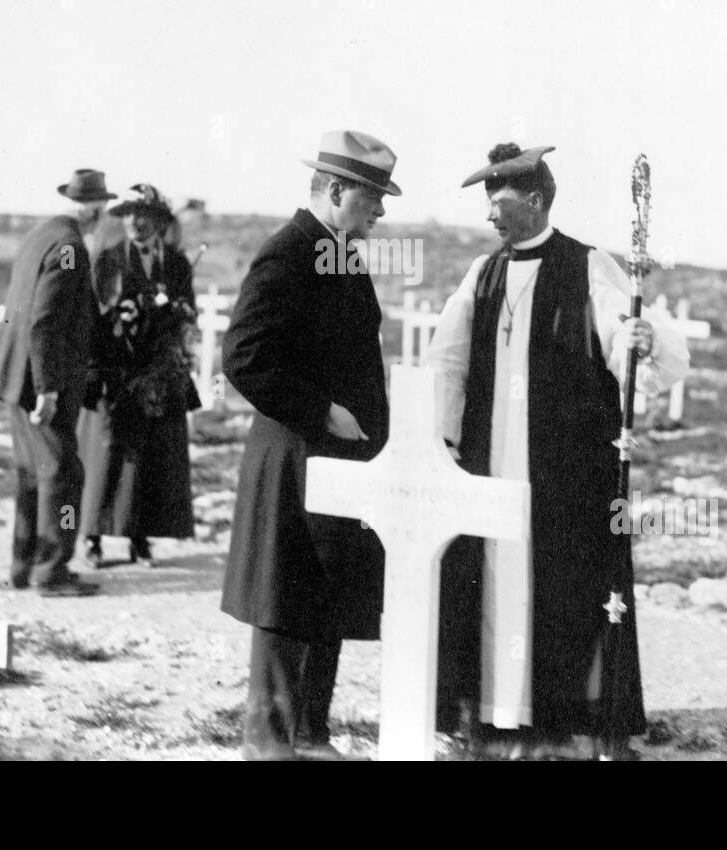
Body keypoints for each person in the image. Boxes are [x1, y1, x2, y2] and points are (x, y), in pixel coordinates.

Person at [425, 143, 689, 758]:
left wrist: (638, 340)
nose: (491, 212)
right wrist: (441, 441)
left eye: (501, 199)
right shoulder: (482, 274)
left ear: (537, 200)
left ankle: (570, 722)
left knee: (566, 591)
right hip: (490, 465)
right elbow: (447, 361)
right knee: (489, 585)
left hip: (567, 469)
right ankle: (498, 722)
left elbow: (623, 337)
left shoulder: (587, 265)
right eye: (489, 199)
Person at [220, 130, 401, 760]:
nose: (380, 211)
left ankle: (310, 732)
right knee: (284, 597)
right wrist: (322, 412)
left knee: (324, 593)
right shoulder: (290, 252)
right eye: (372, 197)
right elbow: (244, 355)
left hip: (337, 461)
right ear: (335, 189)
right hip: (296, 453)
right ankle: (268, 742)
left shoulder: (342, 254)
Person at [0, 168, 113, 597]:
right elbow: (45, 320)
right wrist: (49, 389)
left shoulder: (42, 234)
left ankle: (23, 565)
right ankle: (52, 571)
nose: (103, 214)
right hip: (39, 381)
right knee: (62, 472)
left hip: (15, 377)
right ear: (92, 207)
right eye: (102, 205)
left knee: (32, 472)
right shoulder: (70, 247)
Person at [77, 184, 201, 568]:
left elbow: (187, 311)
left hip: (158, 371)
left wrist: (179, 318)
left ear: (161, 222)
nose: (134, 221)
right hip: (117, 369)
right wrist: (125, 319)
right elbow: (99, 315)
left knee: (152, 455)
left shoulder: (177, 263)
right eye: (128, 213)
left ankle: (140, 537)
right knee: (106, 453)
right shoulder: (110, 260)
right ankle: (92, 538)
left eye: (143, 214)